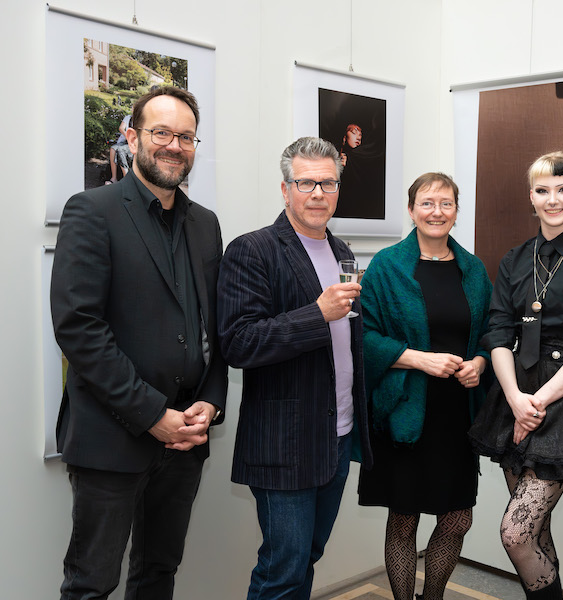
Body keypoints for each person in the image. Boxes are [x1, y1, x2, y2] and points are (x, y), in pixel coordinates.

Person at [51, 86, 226, 599]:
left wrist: (210, 403)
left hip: (186, 440)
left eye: (186, 136)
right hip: (112, 437)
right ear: (133, 138)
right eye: (162, 133)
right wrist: (154, 415)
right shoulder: (91, 210)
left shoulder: (205, 225)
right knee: (91, 584)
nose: (175, 145)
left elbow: (215, 330)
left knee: (157, 575)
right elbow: (78, 328)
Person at [217, 136, 373, 600]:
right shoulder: (253, 250)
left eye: (328, 183)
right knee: (282, 570)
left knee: (307, 558)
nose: (318, 193)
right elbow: (238, 343)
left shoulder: (344, 252)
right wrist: (315, 314)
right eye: (306, 183)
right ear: (285, 190)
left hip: (338, 436)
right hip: (284, 441)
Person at [469, 151, 563, 599]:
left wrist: (536, 402)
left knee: (516, 534)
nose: (552, 199)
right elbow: (498, 331)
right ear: (531, 198)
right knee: (536, 532)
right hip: (514, 393)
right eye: (542, 191)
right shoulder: (516, 259)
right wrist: (516, 397)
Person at [358, 172, 493, 600]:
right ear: (412, 209)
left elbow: (493, 331)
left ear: (457, 210)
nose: (437, 212)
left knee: (457, 519)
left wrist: (480, 362)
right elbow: (364, 336)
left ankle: (431, 596)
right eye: (428, 203)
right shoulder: (387, 266)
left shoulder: (473, 270)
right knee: (404, 518)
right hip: (405, 411)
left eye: (446, 203)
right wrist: (420, 360)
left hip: (457, 415)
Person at [106, 112, 133, 184]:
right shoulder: (128, 117)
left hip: (134, 143)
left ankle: (126, 179)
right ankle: (114, 178)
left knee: (121, 150)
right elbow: (121, 128)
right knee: (113, 149)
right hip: (125, 141)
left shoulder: (142, 119)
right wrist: (128, 137)